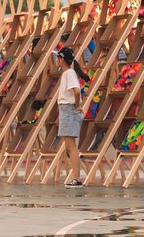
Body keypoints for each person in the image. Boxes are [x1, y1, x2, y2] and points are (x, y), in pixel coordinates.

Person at [56, 47, 91, 188]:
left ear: (62, 59)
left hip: (68, 109)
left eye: (58, 57)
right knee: (69, 147)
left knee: (71, 147)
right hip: (67, 109)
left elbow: (76, 91)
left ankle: (76, 177)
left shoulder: (69, 73)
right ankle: (75, 176)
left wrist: (77, 105)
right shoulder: (68, 73)